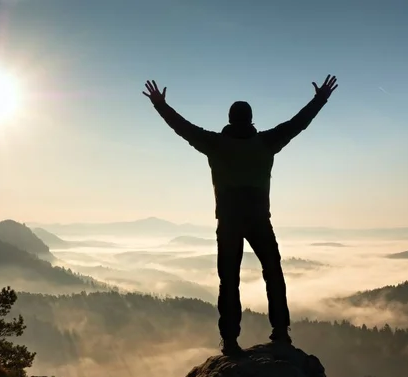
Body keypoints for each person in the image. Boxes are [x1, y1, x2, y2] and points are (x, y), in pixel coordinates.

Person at [143, 75, 338, 355]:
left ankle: (231, 341)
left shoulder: (216, 143)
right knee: (273, 272)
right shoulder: (266, 142)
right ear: (250, 119)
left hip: (229, 221)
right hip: (259, 219)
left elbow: (182, 128)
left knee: (229, 279)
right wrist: (320, 99)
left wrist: (160, 105)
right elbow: (298, 123)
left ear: (230, 119)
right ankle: (281, 332)